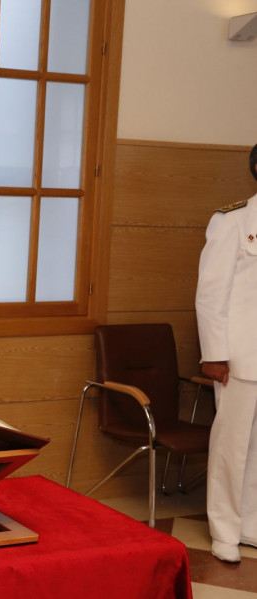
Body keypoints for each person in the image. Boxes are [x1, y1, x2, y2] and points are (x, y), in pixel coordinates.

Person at [195, 142, 257, 563]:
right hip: (242, 356)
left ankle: (251, 524)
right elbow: (210, 294)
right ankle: (224, 530)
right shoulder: (233, 220)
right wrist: (214, 354)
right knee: (231, 447)